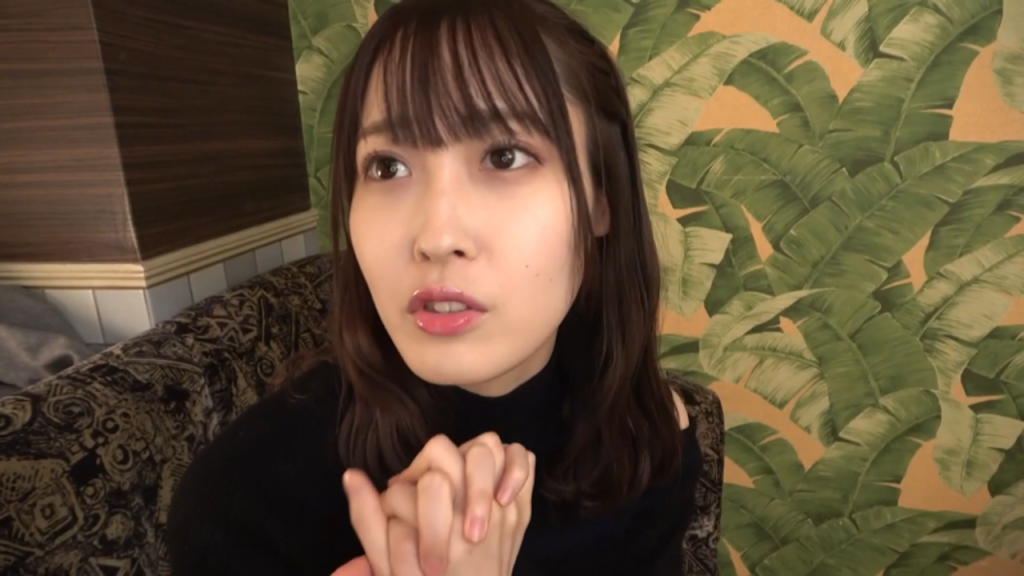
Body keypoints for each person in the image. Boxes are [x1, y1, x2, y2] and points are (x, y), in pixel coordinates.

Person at [166, 0, 703, 573]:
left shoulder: (644, 436)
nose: (437, 237)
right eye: (387, 167)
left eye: (505, 156)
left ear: (600, 200)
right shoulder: (243, 502)